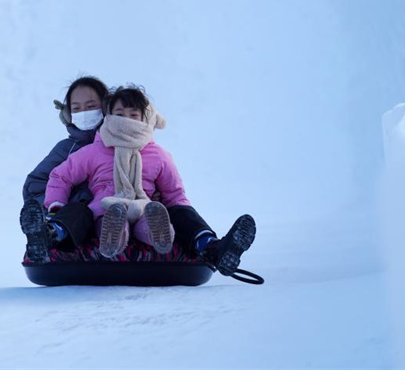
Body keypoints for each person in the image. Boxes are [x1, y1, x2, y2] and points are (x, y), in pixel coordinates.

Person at [42, 85, 257, 276]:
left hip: (146, 207)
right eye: (119, 113)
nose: (126, 119)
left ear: (144, 118)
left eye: (133, 114)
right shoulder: (95, 151)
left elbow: (175, 195)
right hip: (106, 208)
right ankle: (55, 233)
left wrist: (183, 215)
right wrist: (56, 206)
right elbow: (61, 176)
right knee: (95, 216)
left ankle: (209, 246)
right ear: (108, 116)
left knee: (175, 212)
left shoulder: (158, 155)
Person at [19, 75, 109, 263]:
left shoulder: (123, 145)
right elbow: (35, 185)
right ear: (68, 114)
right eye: (76, 109)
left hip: (114, 213)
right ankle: (48, 235)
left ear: (106, 108)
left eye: (91, 106)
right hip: (76, 218)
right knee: (79, 212)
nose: (84, 112)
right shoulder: (65, 149)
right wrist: (61, 203)